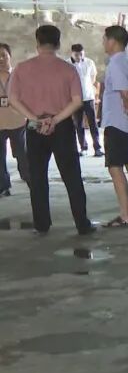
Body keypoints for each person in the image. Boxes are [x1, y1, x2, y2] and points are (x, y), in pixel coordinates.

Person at [6, 26, 95, 236]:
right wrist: (54, 120)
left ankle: (42, 224)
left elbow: (13, 99)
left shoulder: (22, 68)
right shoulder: (68, 69)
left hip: (34, 125)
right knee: (72, 176)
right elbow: (76, 101)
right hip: (61, 125)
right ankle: (82, 223)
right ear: (58, 43)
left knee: (37, 177)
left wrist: (36, 119)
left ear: (37, 43)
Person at [101, 25, 128, 228]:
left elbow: (124, 93)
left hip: (117, 123)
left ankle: (126, 214)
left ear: (113, 41)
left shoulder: (116, 64)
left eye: (104, 39)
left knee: (115, 168)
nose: (103, 43)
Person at [0, 42, 29, 196]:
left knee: (22, 154)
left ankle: (28, 177)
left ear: (10, 57)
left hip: (18, 122)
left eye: (3, 55)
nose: (1, 59)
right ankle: (3, 185)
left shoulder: (18, 76)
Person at [70, 43, 103, 157]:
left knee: (93, 123)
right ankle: (83, 147)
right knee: (78, 124)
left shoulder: (89, 62)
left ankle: (97, 147)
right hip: (75, 99)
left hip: (88, 97)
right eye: (76, 54)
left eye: (81, 54)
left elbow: (93, 77)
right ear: (72, 54)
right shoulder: (68, 64)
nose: (79, 57)